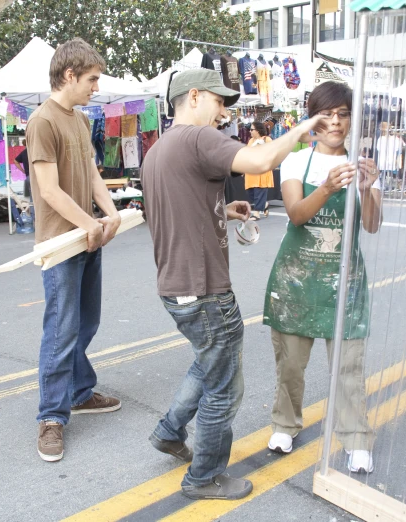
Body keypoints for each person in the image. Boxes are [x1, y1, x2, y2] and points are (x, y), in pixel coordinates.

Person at [141, 68, 328, 500]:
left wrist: (222, 211)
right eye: (218, 100)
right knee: (224, 387)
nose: (223, 111)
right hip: (204, 287)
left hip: (175, 286)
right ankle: (203, 478)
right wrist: (302, 127)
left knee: (210, 361)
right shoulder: (198, 138)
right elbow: (262, 161)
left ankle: (170, 430)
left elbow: (170, 212)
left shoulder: (158, 151)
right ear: (192, 97)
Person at [262, 81, 382, 474]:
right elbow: (296, 214)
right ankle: (285, 424)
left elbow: (372, 225)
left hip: (344, 283)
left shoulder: (363, 165)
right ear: (313, 120)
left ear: (352, 120)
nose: (335, 122)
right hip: (297, 279)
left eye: (343, 114)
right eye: (327, 114)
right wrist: (329, 187)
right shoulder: (298, 162)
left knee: (348, 366)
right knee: (291, 365)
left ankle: (355, 437)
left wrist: (370, 189)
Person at [25, 38, 122, 463]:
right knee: (61, 331)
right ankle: (51, 417)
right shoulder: (42, 121)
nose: (96, 87)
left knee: (86, 324)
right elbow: (48, 190)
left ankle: (80, 392)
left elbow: (92, 174)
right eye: (92, 79)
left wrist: (111, 213)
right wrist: (90, 224)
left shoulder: (80, 121)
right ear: (69, 75)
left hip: (87, 237)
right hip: (62, 244)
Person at [244, 122, 274, 220]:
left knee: (259, 191)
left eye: (252, 129)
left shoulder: (267, 139)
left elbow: (272, 153)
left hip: (261, 170)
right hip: (251, 170)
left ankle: (256, 213)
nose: (250, 131)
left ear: (258, 130)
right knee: (251, 192)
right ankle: (264, 204)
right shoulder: (251, 141)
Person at [375, 122, 403, 191]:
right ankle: (390, 186)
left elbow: (378, 149)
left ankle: (384, 186)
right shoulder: (395, 139)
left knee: (384, 174)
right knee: (390, 174)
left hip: (384, 161)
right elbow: (398, 149)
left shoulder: (380, 139)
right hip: (390, 161)